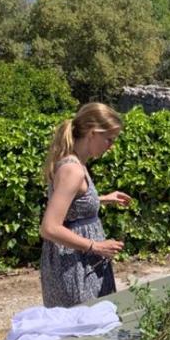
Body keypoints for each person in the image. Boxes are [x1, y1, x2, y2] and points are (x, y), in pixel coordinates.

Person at [40, 102, 132, 307]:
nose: (111, 146)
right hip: (74, 264)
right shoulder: (72, 170)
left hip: (79, 260)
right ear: (92, 133)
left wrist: (102, 199)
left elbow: (70, 205)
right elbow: (49, 228)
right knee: (84, 321)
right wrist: (96, 246)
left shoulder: (74, 162)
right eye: (109, 139)